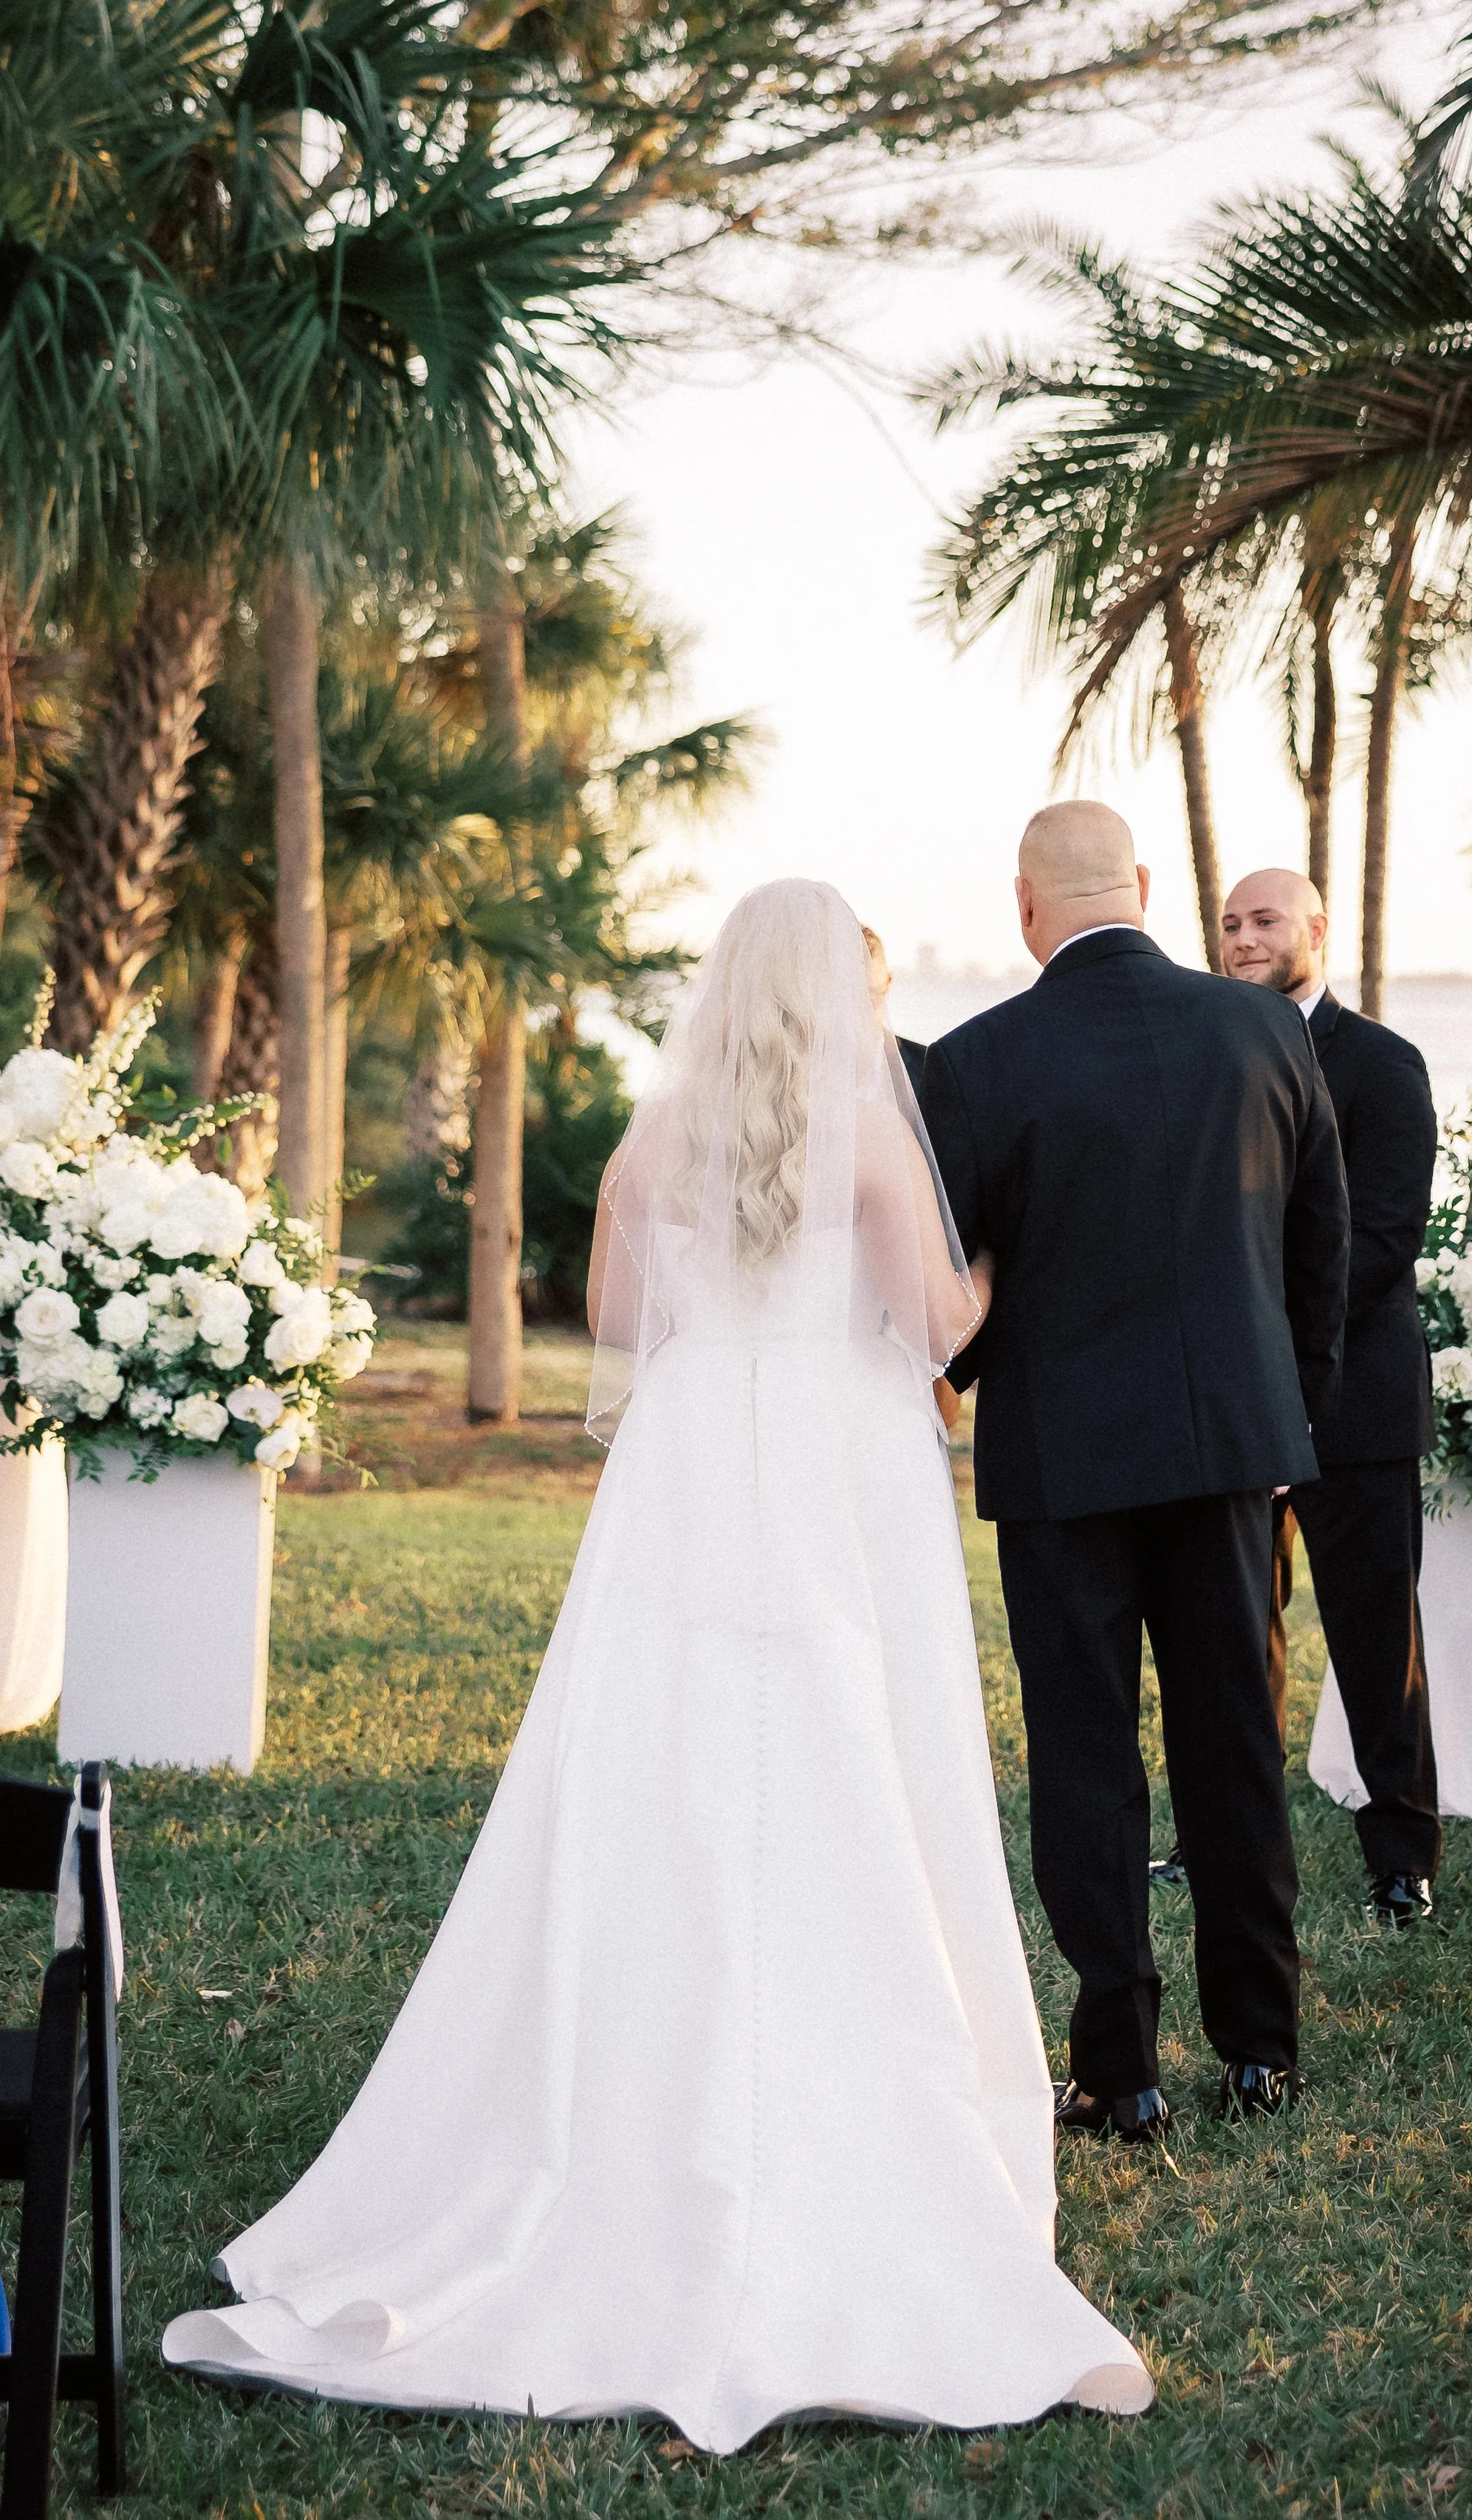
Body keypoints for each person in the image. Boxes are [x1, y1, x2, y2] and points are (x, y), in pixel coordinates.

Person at [162, 879, 1153, 2451]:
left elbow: (618, 1321)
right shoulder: (872, 1132)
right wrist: (1002, 1271)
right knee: (852, 1764)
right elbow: (940, 1330)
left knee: (663, 1758)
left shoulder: (660, 1126)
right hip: (840, 1470)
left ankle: (624, 2091)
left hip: (694, 1458)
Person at [919, 804, 1349, 2145]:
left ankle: (1119, 2069)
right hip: (1232, 1452)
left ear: (1023, 906)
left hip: (1060, 1466)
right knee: (1232, 1742)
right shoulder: (1266, 1028)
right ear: (1147, 889)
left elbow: (954, 1292)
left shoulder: (977, 1060)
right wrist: (1288, 1433)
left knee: (1086, 1758)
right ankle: (1261, 2051)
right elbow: (1317, 1256)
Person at [1218, 869, 1442, 1927]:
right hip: (1231, 1404)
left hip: (1354, 1400)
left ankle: (1402, 1858)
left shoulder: (1385, 1065)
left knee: (1372, 1635)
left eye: (1263, 919)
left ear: (1317, 929)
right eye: (1227, 922)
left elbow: (1385, 1236)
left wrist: (1274, 1337)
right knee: (1230, 1634)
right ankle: (1224, 1834)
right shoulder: (1210, 1056)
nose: (1242, 936)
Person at [862, 922, 927, 1099]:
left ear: (888, 984)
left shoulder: (928, 1067)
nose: (861, 1011)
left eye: (872, 995)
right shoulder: (799, 1069)